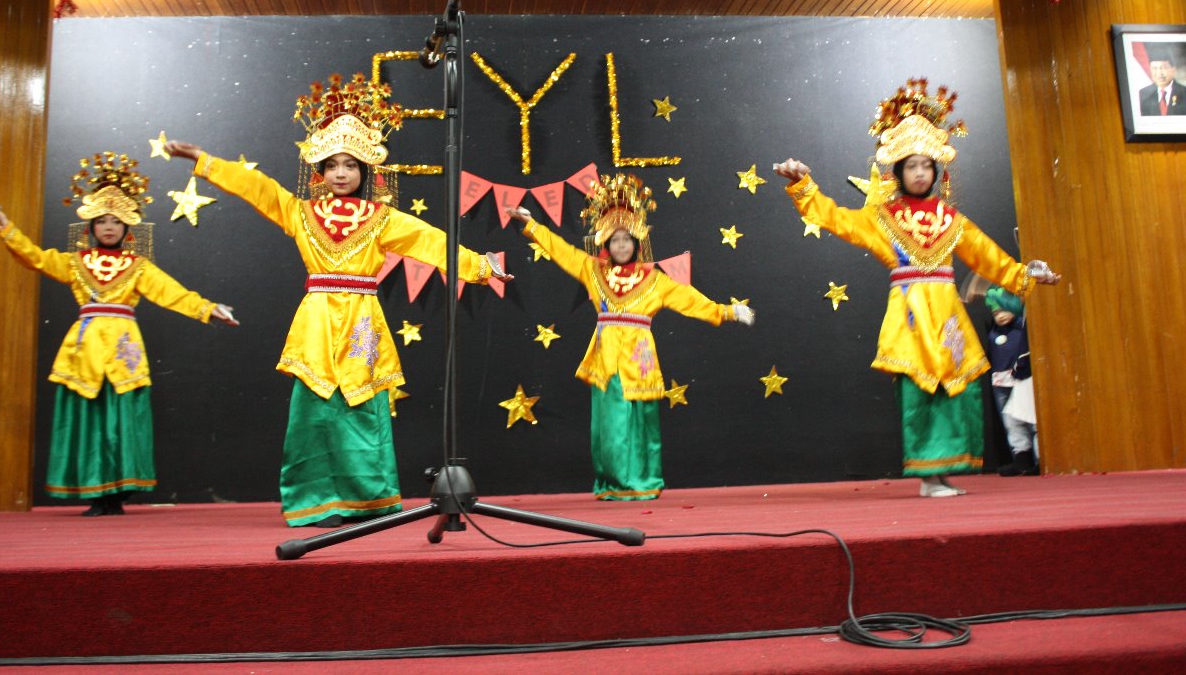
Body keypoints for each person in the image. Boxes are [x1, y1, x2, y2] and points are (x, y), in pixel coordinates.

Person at [166, 72, 510, 528]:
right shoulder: (300, 212)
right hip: (317, 319)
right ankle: (317, 501)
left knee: (363, 406)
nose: (342, 172)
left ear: (365, 172)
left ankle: (369, 501)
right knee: (315, 412)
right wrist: (204, 161)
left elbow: (431, 241)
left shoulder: (383, 218)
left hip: (363, 318)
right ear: (320, 172)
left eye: (350, 164)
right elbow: (259, 188)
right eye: (333, 164)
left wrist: (480, 266)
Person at [774, 78, 1060, 497]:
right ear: (899, 171)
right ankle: (927, 476)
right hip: (910, 316)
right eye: (912, 166)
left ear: (936, 170)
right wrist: (803, 186)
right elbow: (838, 220)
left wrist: (1026, 273)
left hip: (947, 317)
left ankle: (943, 473)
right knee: (920, 390)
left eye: (927, 165)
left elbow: (988, 257)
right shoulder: (882, 218)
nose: (921, 173)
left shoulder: (951, 219)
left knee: (955, 389)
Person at [0, 152, 238, 516]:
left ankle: (117, 492)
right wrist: (2, 221)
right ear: (91, 227)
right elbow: (33, 256)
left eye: (116, 221)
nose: (109, 227)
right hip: (86, 350)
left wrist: (209, 309)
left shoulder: (138, 266)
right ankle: (97, 492)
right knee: (90, 418)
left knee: (121, 419)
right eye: (102, 221)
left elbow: (174, 293)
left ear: (128, 228)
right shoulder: (73, 263)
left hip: (124, 348)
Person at [506, 173, 755, 501]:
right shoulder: (593, 270)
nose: (621, 245)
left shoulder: (655, 279)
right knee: (611, 425)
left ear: (636, 242)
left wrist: (726, 311)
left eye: (626, 239)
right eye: (615, 240)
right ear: (606, 244)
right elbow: (562, 252)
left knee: (642, 421)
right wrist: (532, 226)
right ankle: (612, 483)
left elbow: (689, 299)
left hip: (639, 358)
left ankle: (645, 481)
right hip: (608, 359)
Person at [985, 286, 1038, 476]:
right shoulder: (993, 332)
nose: (1000, 316)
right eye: (995, 312)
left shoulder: (1022, 329)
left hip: (1021, 378)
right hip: (1001, 381)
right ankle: (1021, 458)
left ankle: (1040, 459)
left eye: (1004, 310)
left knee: (1031, 418)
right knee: (1011, 421)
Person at [1138, 47, 1186, 116]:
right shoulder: (1143, 94)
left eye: (1164, 67)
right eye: (1155, 68)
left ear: (1173, 70)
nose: (1159, 73)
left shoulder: (1184, 92)